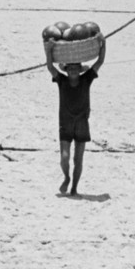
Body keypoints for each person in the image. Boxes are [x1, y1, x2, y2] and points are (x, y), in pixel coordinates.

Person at [52, 52, 100, 196]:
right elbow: (49, 66)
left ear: (80, 70)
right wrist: (48, 50)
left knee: (78, 159)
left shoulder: (86, 79)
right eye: (70, 68)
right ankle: (67, 177)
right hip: (65, 123)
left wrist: (102, 44)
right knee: (64, 158)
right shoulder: (62, 81)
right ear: (66, 70)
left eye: (75, 68)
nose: (73, 70)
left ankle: (74, 188)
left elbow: (100, 62)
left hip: (82, 124)